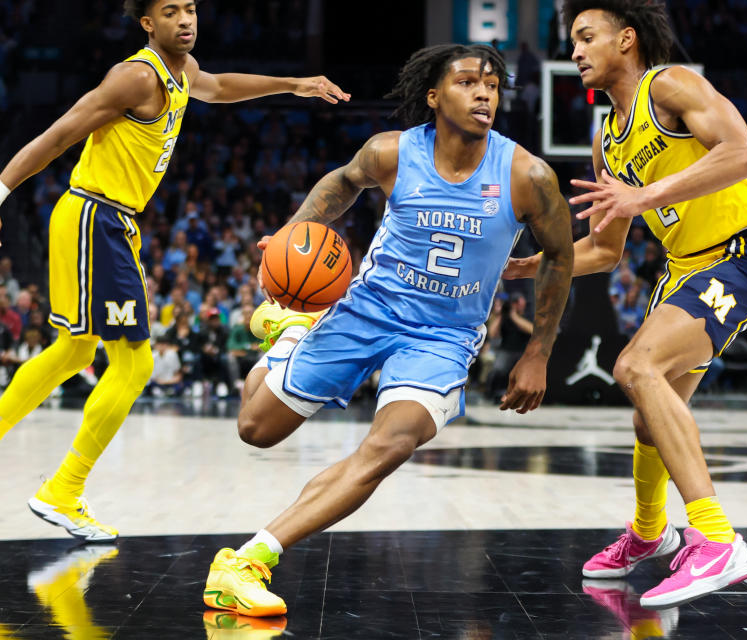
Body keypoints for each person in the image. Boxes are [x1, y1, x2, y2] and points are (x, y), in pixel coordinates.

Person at [202, 44, 574, 617]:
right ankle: (294, 329)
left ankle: (248, 561)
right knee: (255, 429)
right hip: (366, 309)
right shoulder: (391, 152)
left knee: (390, 445)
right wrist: (290, 237)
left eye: (493, 87)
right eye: (469, 82)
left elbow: (559, 255)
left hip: (443, 340)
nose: (484, 94)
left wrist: (538, 352)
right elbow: (343, 182)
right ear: (433, 95)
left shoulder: (528, 175)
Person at [0, 0, 350, 541]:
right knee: (135, 365)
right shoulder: (134, 77)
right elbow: (59, 135)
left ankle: (56, 486)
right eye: (170, 11)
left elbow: (218, 86)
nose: (186, 19)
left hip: (103, 220)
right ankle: (62, 491)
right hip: (97, 217)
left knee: (73, 351)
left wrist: (293, 84)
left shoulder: (181, 71)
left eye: (190, 9)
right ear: (147, 22)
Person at [505, 0, 747, 608]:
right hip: (685, 270)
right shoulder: (607, 138)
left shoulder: (672, 84)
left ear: (626, 39)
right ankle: (650, 533)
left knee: (635, 367)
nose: (574, 51)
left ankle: (715, 540)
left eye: (586, 37)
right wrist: (543, 263)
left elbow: (744, 155)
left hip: (743, 253)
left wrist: (646, 194)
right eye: (572, 41)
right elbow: (605, 251)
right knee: (647, 416)